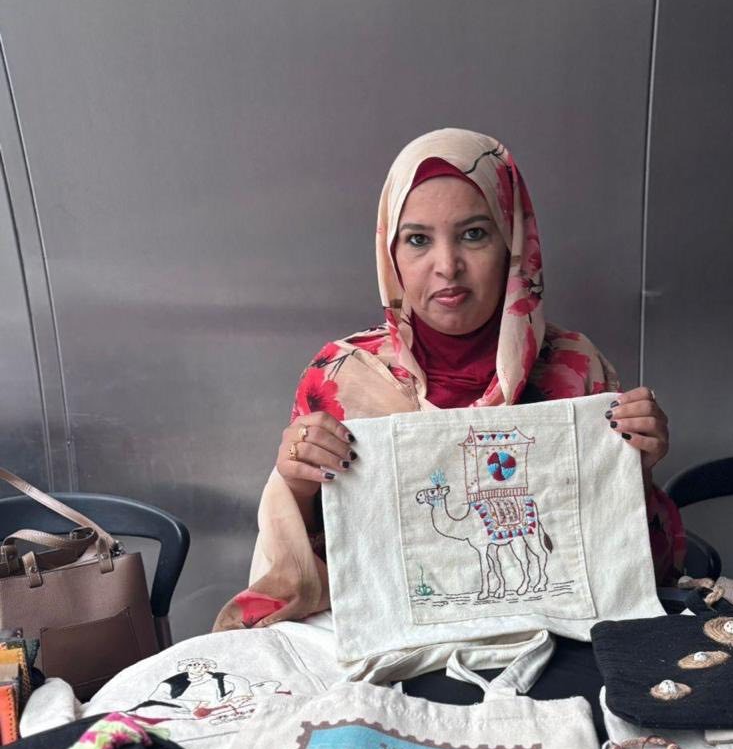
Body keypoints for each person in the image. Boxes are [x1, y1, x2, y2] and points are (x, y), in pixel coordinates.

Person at [217, 128, 683, 629]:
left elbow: (640, 573)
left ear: (513, 243)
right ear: (391, 254)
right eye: (418, 240)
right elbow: (323, 574)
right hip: (388, 648)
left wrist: (636, 471)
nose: (447, 267)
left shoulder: (576, 369)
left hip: (549, 640)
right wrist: (296, 484)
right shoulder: (340, 378)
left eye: (474, 234)